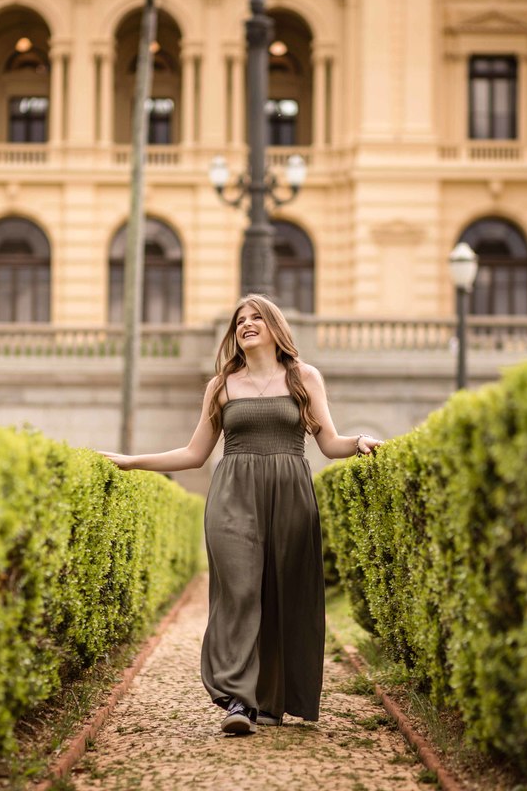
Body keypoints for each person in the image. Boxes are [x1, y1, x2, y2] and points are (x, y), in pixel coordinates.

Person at [101, 294, 383, 735]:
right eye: (240, 321)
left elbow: (329, 443)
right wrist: (131, 461)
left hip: (290, 494)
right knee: (239, 590)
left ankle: (271, 698)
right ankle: (238, 700)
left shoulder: (304, 377)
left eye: (256, 318)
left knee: (281, 595)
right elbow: (195, 454)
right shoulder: (222, 385)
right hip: (233, 495)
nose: (246, 325)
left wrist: (360, 440)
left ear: (275, 327)